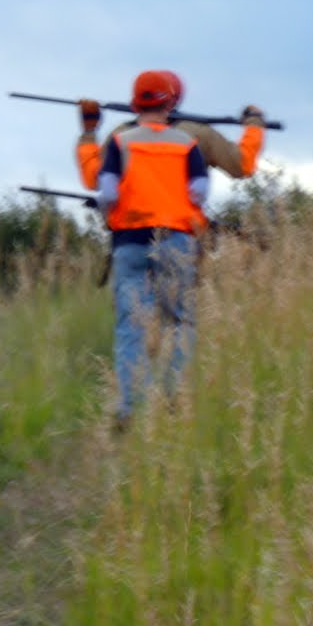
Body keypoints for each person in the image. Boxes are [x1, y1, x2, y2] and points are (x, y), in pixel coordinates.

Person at [79, 69, 216, 424]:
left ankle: (130, 407)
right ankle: (173, 400)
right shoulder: (187, 144)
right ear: (171, 102)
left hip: (130, 241)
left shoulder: (121, 143)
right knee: (180, 321)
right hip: (175, 240)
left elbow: (107, 190)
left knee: (131, 326)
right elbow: (199, 192)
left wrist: (115, 211)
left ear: (134, 102)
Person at [75, 69, 268, 189]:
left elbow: (94, 180)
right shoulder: (198, 133)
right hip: (181, 237)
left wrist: (89, 132)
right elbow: (242, 166)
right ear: (174, 99)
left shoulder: (121, 135)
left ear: (135, 100)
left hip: (129, 236)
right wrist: (254, 124)